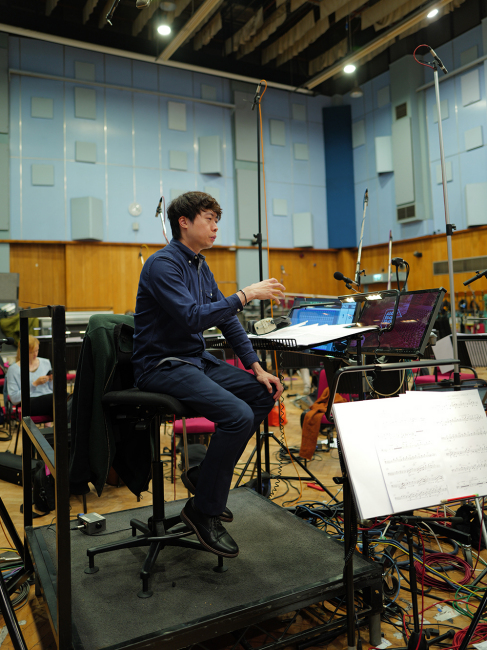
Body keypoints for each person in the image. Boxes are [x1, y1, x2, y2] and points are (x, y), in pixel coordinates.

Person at [132, 191, 285, 558]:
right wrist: (244, 295)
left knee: (263, 393)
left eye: (218, 220)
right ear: (184, 222)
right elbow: (191, 318)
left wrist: (256, 367)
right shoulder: (162, 265)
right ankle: (204, 511)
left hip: (193, 360)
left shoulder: (200, 265)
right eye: (209, 219)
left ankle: (205, 478)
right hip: (161, 365)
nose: (216, 227)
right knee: (238, 415)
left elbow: (227, 321)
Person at [6, 335, 53, 417]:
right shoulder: (13, 369)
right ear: (23, 351)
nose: (35, 354)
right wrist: (34, 384)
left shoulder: (46, 362)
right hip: (30, 402)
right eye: (31, 352)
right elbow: (14, 399)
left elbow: (52, 389)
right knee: (60, 400)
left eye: (37, 350)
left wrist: (52, 380)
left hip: (49, 399)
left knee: (68, 398)